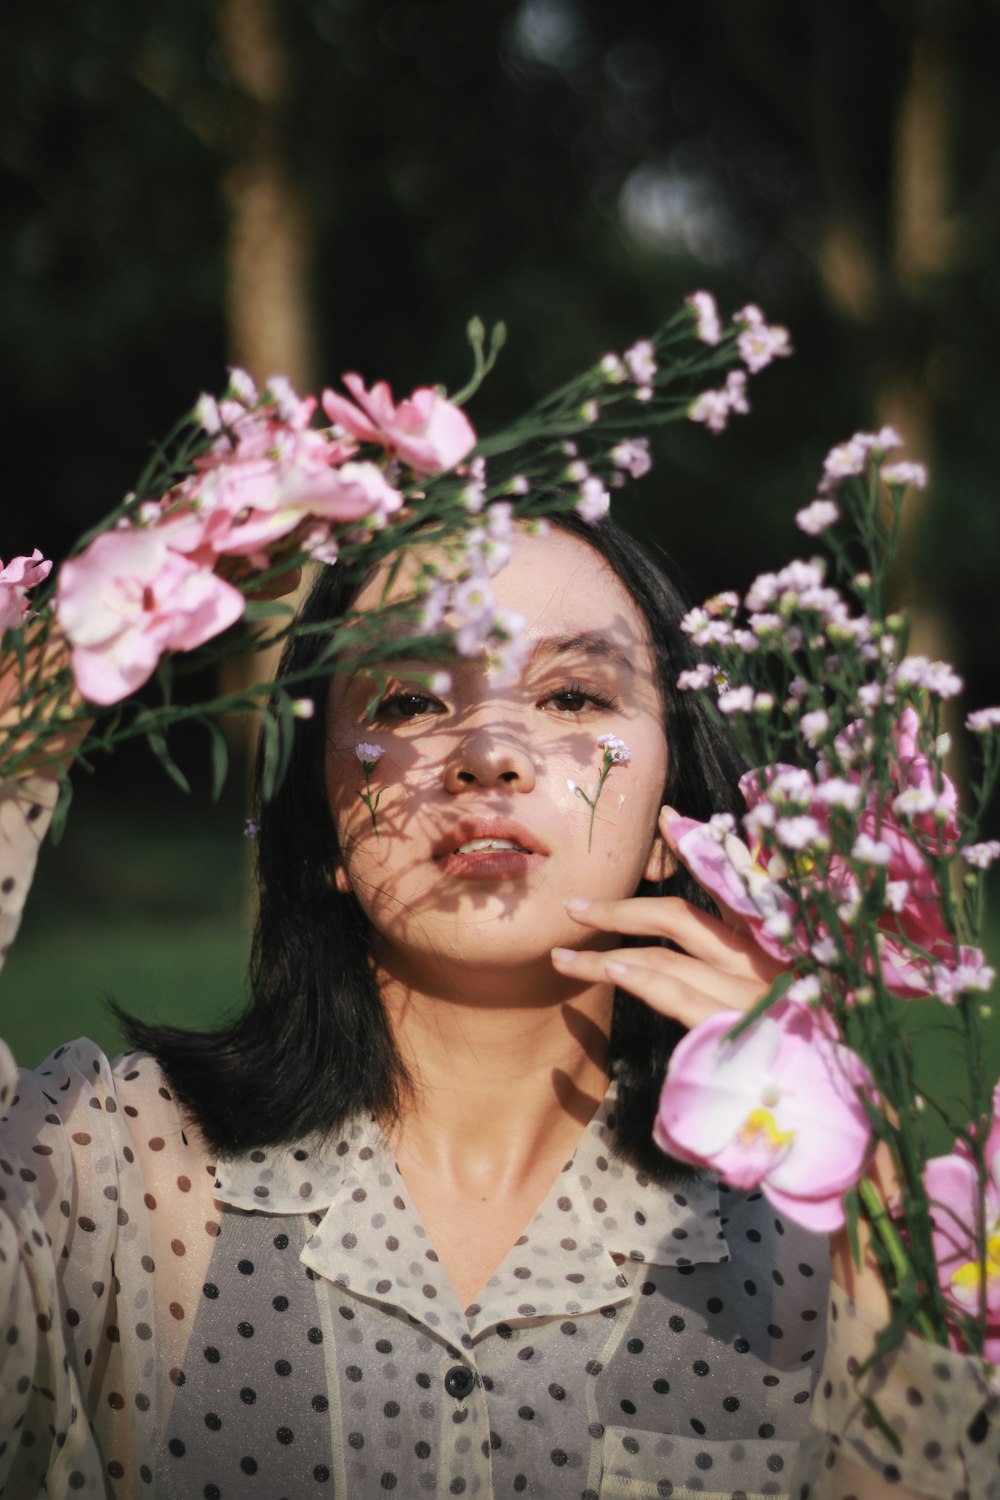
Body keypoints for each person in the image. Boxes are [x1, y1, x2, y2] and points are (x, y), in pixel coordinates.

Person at [0, 514, 992, 1499]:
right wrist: (34, 711)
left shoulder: (835, 1234)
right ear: (322, 827)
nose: (488, 751)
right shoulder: (109, 1163)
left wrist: (867, 1190)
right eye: (408, 701)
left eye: (571, 694)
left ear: (672, 825)